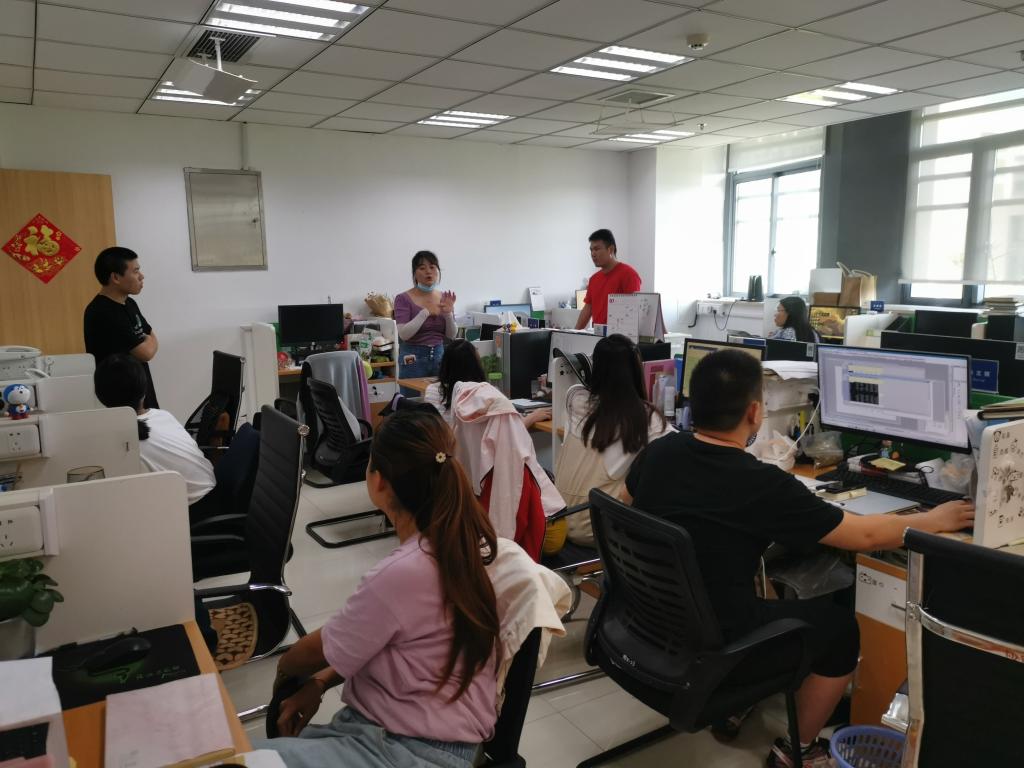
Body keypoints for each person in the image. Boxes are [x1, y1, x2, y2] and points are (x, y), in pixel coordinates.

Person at [623, 350, 974, 768]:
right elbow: (862, 536)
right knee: (840, 630)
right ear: (754, 412)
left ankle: (738, 698)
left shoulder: (658, 452)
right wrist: (933, 519)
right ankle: (798, 751)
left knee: (764, 580)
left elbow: (625, 505)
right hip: (714, 638)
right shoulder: (760, 483)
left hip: (648, 620)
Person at [254, 410, 503, 768]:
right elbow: (382, 643)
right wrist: (321, 683)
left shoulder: (403, 573)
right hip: (426, 737)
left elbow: (311, 652)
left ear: (379, 481)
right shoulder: (453, 545)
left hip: (410, 750)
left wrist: (287, 671)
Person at [546, 334, 673, 554]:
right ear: (635, 371)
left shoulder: (575, 400)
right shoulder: (644, 418)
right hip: (595, 530)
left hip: (561, 518)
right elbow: (677, 443)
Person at [93, 354, 217, 523]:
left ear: (100, 396)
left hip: (194, 516)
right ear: (144, 391)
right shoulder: (162, 415)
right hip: (211, 495)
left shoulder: (121, 444)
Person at [83, 247, 159, 408]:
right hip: (120, 396)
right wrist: (149, 342)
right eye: (135, 271)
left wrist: (149, 342)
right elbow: (146, 353)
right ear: (116, 277)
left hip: (140, 388)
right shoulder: (103, 312)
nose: (142, 276)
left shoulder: (129, 303)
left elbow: (151, 334)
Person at [425, 339, 551, 429]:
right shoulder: (484, 396)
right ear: (475, 366)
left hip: (446, 454)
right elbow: (509, 433)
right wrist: (532, 417)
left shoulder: (431, 391)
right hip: (476, 456)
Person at [395, 251, 457, 387]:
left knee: (439, 398)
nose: (428, 272)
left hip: (439, 357)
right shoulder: (403, 298)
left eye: (432, 267)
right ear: (415, 273)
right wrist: (425, 312)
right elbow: (404, 334)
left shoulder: (444, 297)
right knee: (413, 399)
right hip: (413, 359)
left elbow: (451, 335)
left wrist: (448, 314)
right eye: (422, 268)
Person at [574, 229, 641, 330]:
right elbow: (587, 309)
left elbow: (633, 311)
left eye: (596, 249)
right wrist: (574, 332)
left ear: (610, 249)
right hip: (598, 335)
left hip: (619, 337)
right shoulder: (594, 279)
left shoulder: (629, 274)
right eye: (591, 250)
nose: (593, 254)